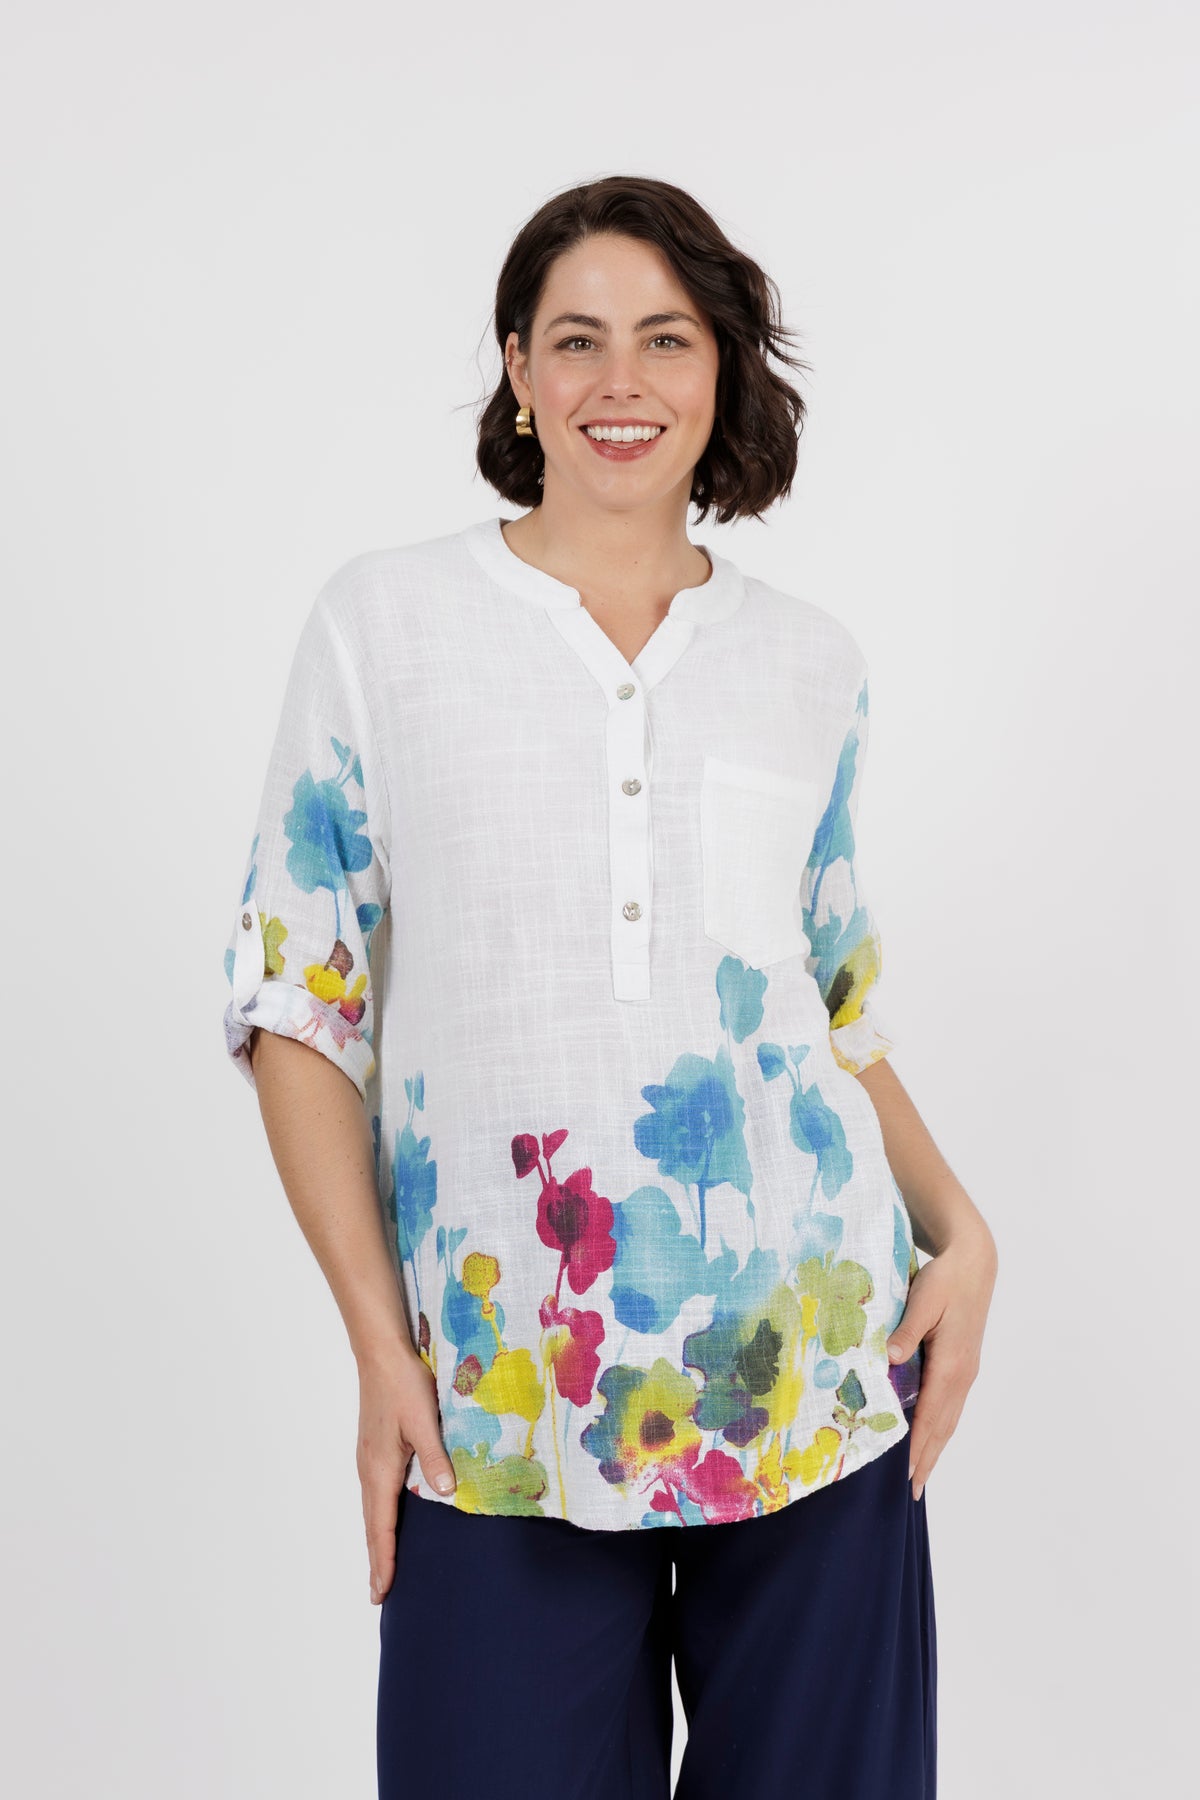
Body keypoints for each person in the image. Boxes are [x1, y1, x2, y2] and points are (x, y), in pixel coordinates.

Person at [222, 174, 998, 1799]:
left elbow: (834, 1004)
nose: (619, 380)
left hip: (813, 1382)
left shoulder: (812, 663)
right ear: (519, 370)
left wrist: (962, 1228)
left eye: (665, 338)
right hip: (502, 1408)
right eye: (576, 340)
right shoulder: (385, 626)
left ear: (721, 370)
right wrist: (378, 1344)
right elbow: (299, 1005)